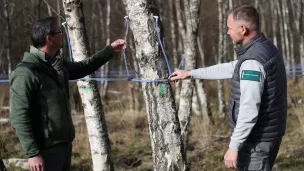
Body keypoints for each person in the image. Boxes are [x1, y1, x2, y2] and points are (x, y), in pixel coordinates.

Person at [170, 5, 287, 171]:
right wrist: (190, 73)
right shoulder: (264, 48)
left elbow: (249, 108)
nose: (227, 32)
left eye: (229, 28)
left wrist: (234, 146)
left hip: (256, 141)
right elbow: (233, 67)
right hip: (266, 135)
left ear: (243, 29)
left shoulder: (252, 62)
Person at [10, 16, 125, 171]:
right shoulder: (26, 73)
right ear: (49, 39)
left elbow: (83, 67)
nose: (63, 35)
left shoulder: (56, 64)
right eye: (60, 32)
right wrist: (32, 153)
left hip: (64, 147)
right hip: (45, 152)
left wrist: (109, 50)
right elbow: (18, 116)